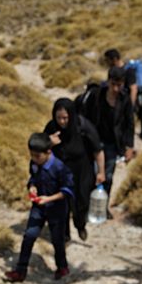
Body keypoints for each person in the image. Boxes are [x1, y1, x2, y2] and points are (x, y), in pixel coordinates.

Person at [4, 133, 74, 282]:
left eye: (37, 156)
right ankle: (20, 270)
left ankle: (62, 267)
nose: (34, 159)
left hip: (57, 209)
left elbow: (67, 191)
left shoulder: (59, 167)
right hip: (39, 208)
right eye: (32, 155)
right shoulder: (34, 164)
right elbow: (33, 179)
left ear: (48, 152)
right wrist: (32, 187)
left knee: (57, 240)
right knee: (29, 236)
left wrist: (49, 198)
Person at [44, 98, 105, 242]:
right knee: (63, 204)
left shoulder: (83, 126)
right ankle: (65, 234)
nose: (62, 122)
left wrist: (101, 171)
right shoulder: (52, 128)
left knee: (82, 201)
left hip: (82, 170)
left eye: (65, 118)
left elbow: (98, 150)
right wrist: (49, 143)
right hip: (60, 172)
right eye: (59, 118)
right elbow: (40, 151)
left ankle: (80, 225)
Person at [82, 66, 134, 219]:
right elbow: (85, 117)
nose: (117, 88)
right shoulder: (97, 95)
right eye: (114, 84)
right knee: (91, 174)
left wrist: (129, 146)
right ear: (109, 81)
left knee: (108, 176)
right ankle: (87, 207)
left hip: (113, 143)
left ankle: (102, 207)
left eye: (120, 85)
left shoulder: (125, 99)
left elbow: (129, 123)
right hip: (94, 140)